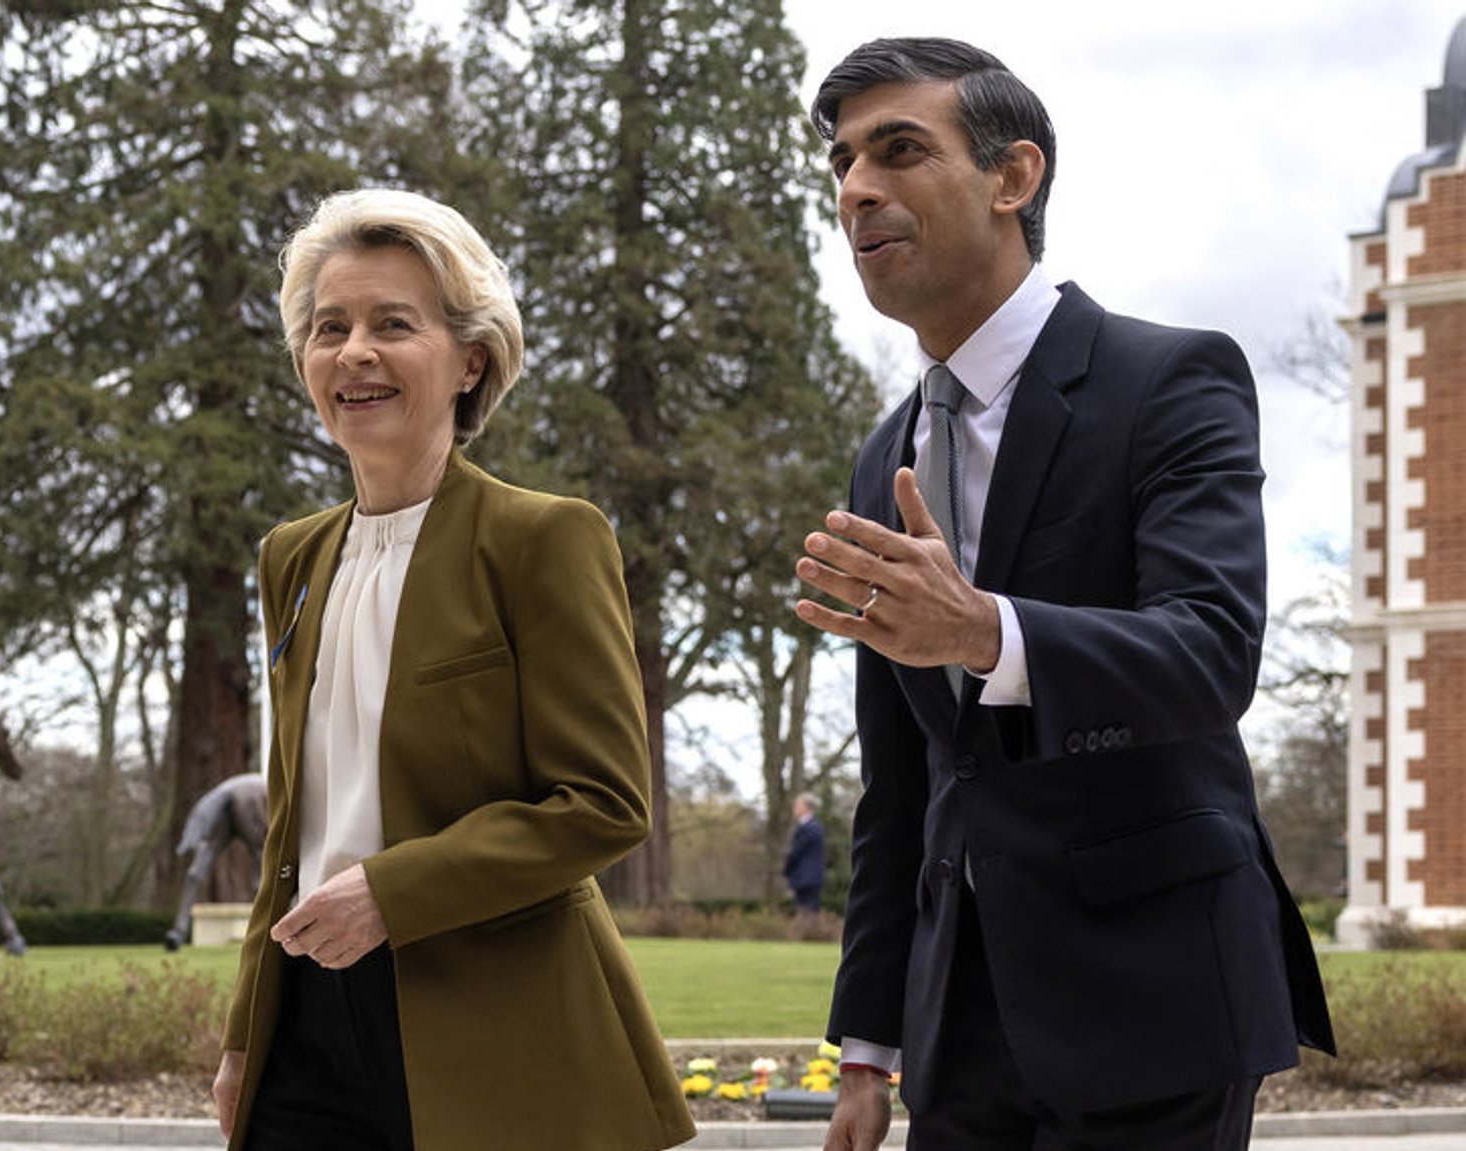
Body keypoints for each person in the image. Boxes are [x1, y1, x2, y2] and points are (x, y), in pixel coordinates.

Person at [790, 38, 1335, 1151]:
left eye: (898, 149)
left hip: (1155, 996)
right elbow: (900, 777)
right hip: (961, 1024)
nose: (855, 188)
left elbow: (1209, 650)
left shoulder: (1170, 378)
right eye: (842, 163)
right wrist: (865, 1042)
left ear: (1012, 177)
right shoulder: (879, 457)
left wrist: (985, 628)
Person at [210, 188, 694, 1151]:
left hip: (497, 1032)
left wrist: (392, 890)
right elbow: (291, 831)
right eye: (329, 326)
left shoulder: (543, 539)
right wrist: (243, 1039)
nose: (354, 351)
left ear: (471, 358)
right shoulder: (290, 559)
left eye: (394, 323)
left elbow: (602, 802)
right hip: (306, 1030)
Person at [783, 792, 826, 914]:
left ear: (806, 807)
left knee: (806, 913)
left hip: (805, 879)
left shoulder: (808, 828)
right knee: (808, 913)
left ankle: (810, 932)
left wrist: (786, 870)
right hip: (811, 878)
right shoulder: (815, 827)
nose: (794, 809)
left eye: (797, 805)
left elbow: (795, 853)